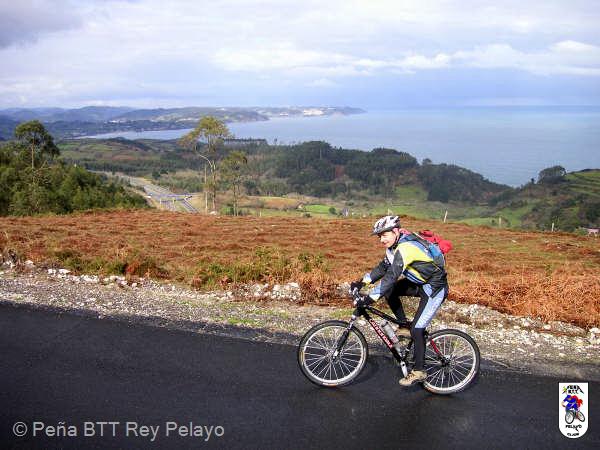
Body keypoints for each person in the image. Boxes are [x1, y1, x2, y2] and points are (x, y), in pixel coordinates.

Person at [350, 215, 449, 387]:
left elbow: (391, 277)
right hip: (420, 283)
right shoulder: (393, 247)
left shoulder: (405, 248)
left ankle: (419, 371)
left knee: (418, 329)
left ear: (396, 231)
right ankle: (404, 326)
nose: (382, 240)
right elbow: (382, 268)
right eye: (379, 236)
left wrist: (369, 298)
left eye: (384, 235)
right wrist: (362, 282)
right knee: (390, 292)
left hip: (434, 288)